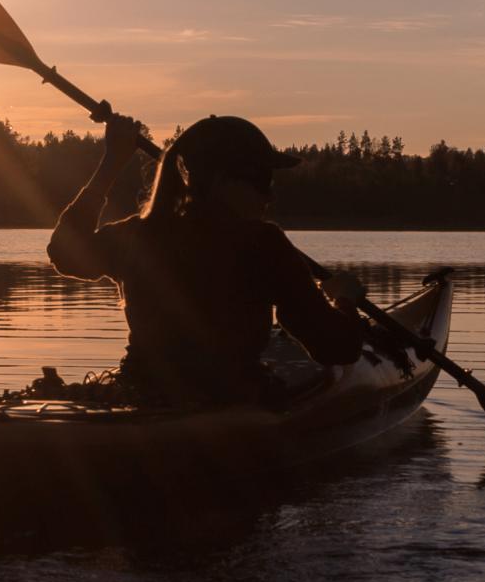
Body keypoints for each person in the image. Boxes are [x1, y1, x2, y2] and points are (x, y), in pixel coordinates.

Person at [47, 109, 368, 406]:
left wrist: (111, 163)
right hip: (230, 398)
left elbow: (65, 254)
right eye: (259, 181)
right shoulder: (263, 243)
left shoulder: (139, 234)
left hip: (142, 393)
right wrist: (344, 301)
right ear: (219, 182)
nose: (268, 194)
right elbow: (336, 347)